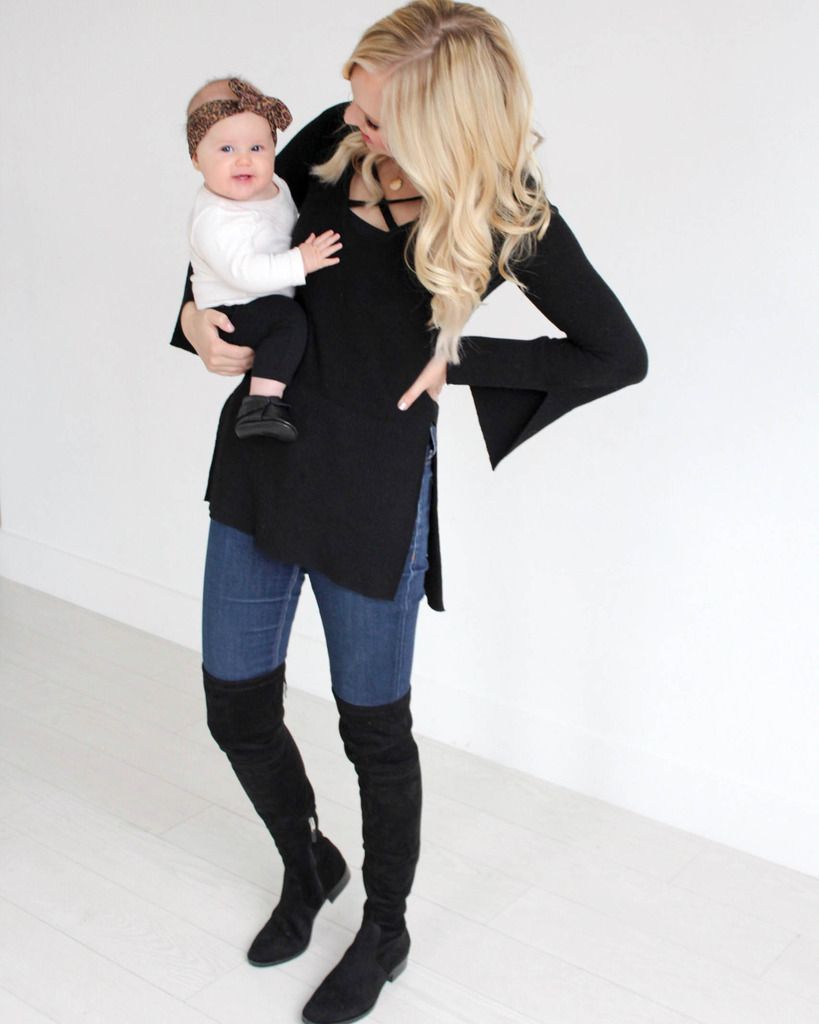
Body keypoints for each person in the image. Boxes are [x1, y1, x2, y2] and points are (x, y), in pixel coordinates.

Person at [171, 2, 648, 1022]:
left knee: (375, 733)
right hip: (262, 455)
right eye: (357, 100)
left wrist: (458, 360)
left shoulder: (505, 210)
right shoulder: (329, 143)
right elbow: (229, 225)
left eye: (380, 115)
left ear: (447, 126)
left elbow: (617, 352)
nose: (355, 122)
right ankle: (308, 863)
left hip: (373, 489)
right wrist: (191, 316)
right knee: (234, 709)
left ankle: (384, 927)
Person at [186, 76, 342, 440]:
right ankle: (260, 405)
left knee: (286, 319)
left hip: (263, 298)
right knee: (286, 321)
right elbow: (243, 271)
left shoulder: (275, 187)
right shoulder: (214, 217)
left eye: (257, 147)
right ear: (196, 158)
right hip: (233, 308)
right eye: (226, 149)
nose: (244, 159)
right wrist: (301, 261)